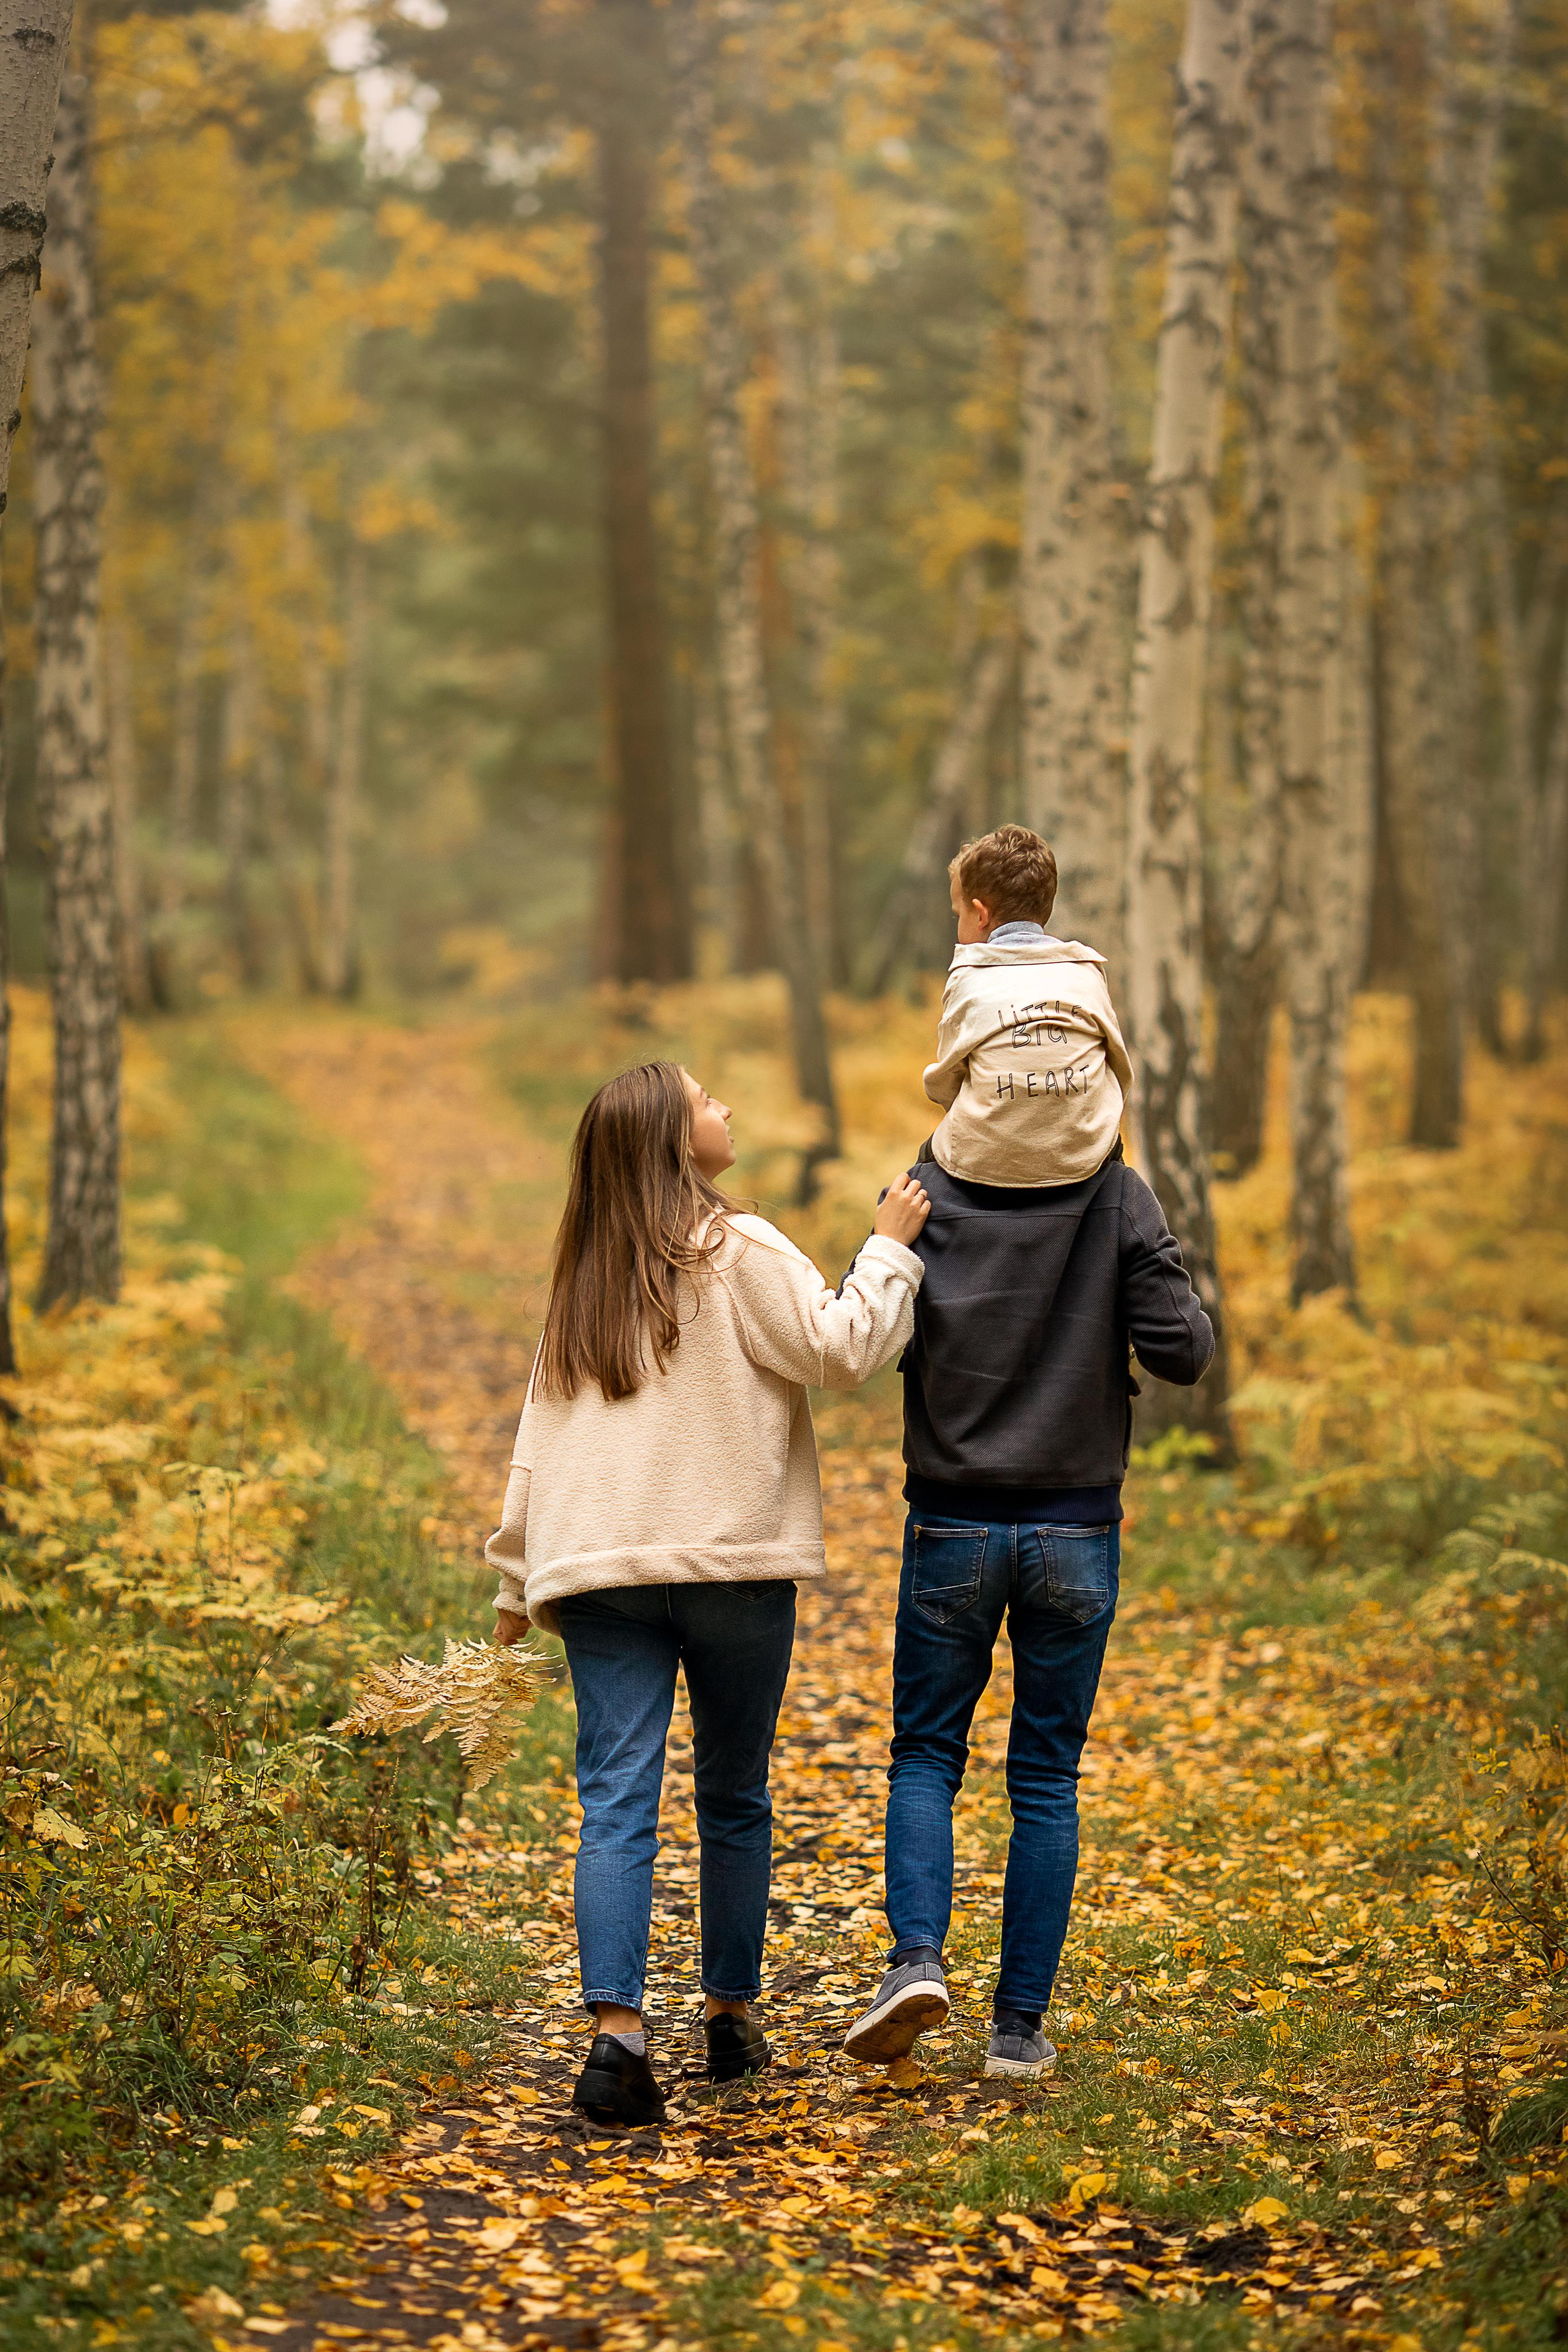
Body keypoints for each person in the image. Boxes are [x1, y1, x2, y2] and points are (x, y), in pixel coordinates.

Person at [486, 1061, 930, 2127]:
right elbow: (843, 1349)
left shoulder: (585, 1278)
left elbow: (537, 1445)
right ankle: (730, 2019)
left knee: (617, 1798)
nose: (724, 1108)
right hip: (732, 1566)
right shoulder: (743, 1249)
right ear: (676, 1143)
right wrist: (891, 1250)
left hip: (600, 1572)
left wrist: (513, 1578)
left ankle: (617, 2041)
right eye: (707, 1100)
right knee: (733, 1793)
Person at [842, 889, 1214, 2082]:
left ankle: (913, 1963)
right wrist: (1159, 1270)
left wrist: (895, 1244)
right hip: (1073, 1529)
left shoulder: (927, 1187)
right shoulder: (1116, 1195)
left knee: (923, 1756)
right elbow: (1183, 1353)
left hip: (950, 1516)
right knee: (1044, 1775)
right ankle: (1015, 2035)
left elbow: (876, 1337)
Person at [922, 823, 1134, 1189]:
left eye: (959, 916)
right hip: (1084, 1156)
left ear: (980, 914)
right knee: (1121, 1178)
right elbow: (1118, 1066)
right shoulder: (1086, 971)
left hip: (985, 1162)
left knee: (918, 1176)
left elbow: (950, 1078)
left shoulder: (969, 974)